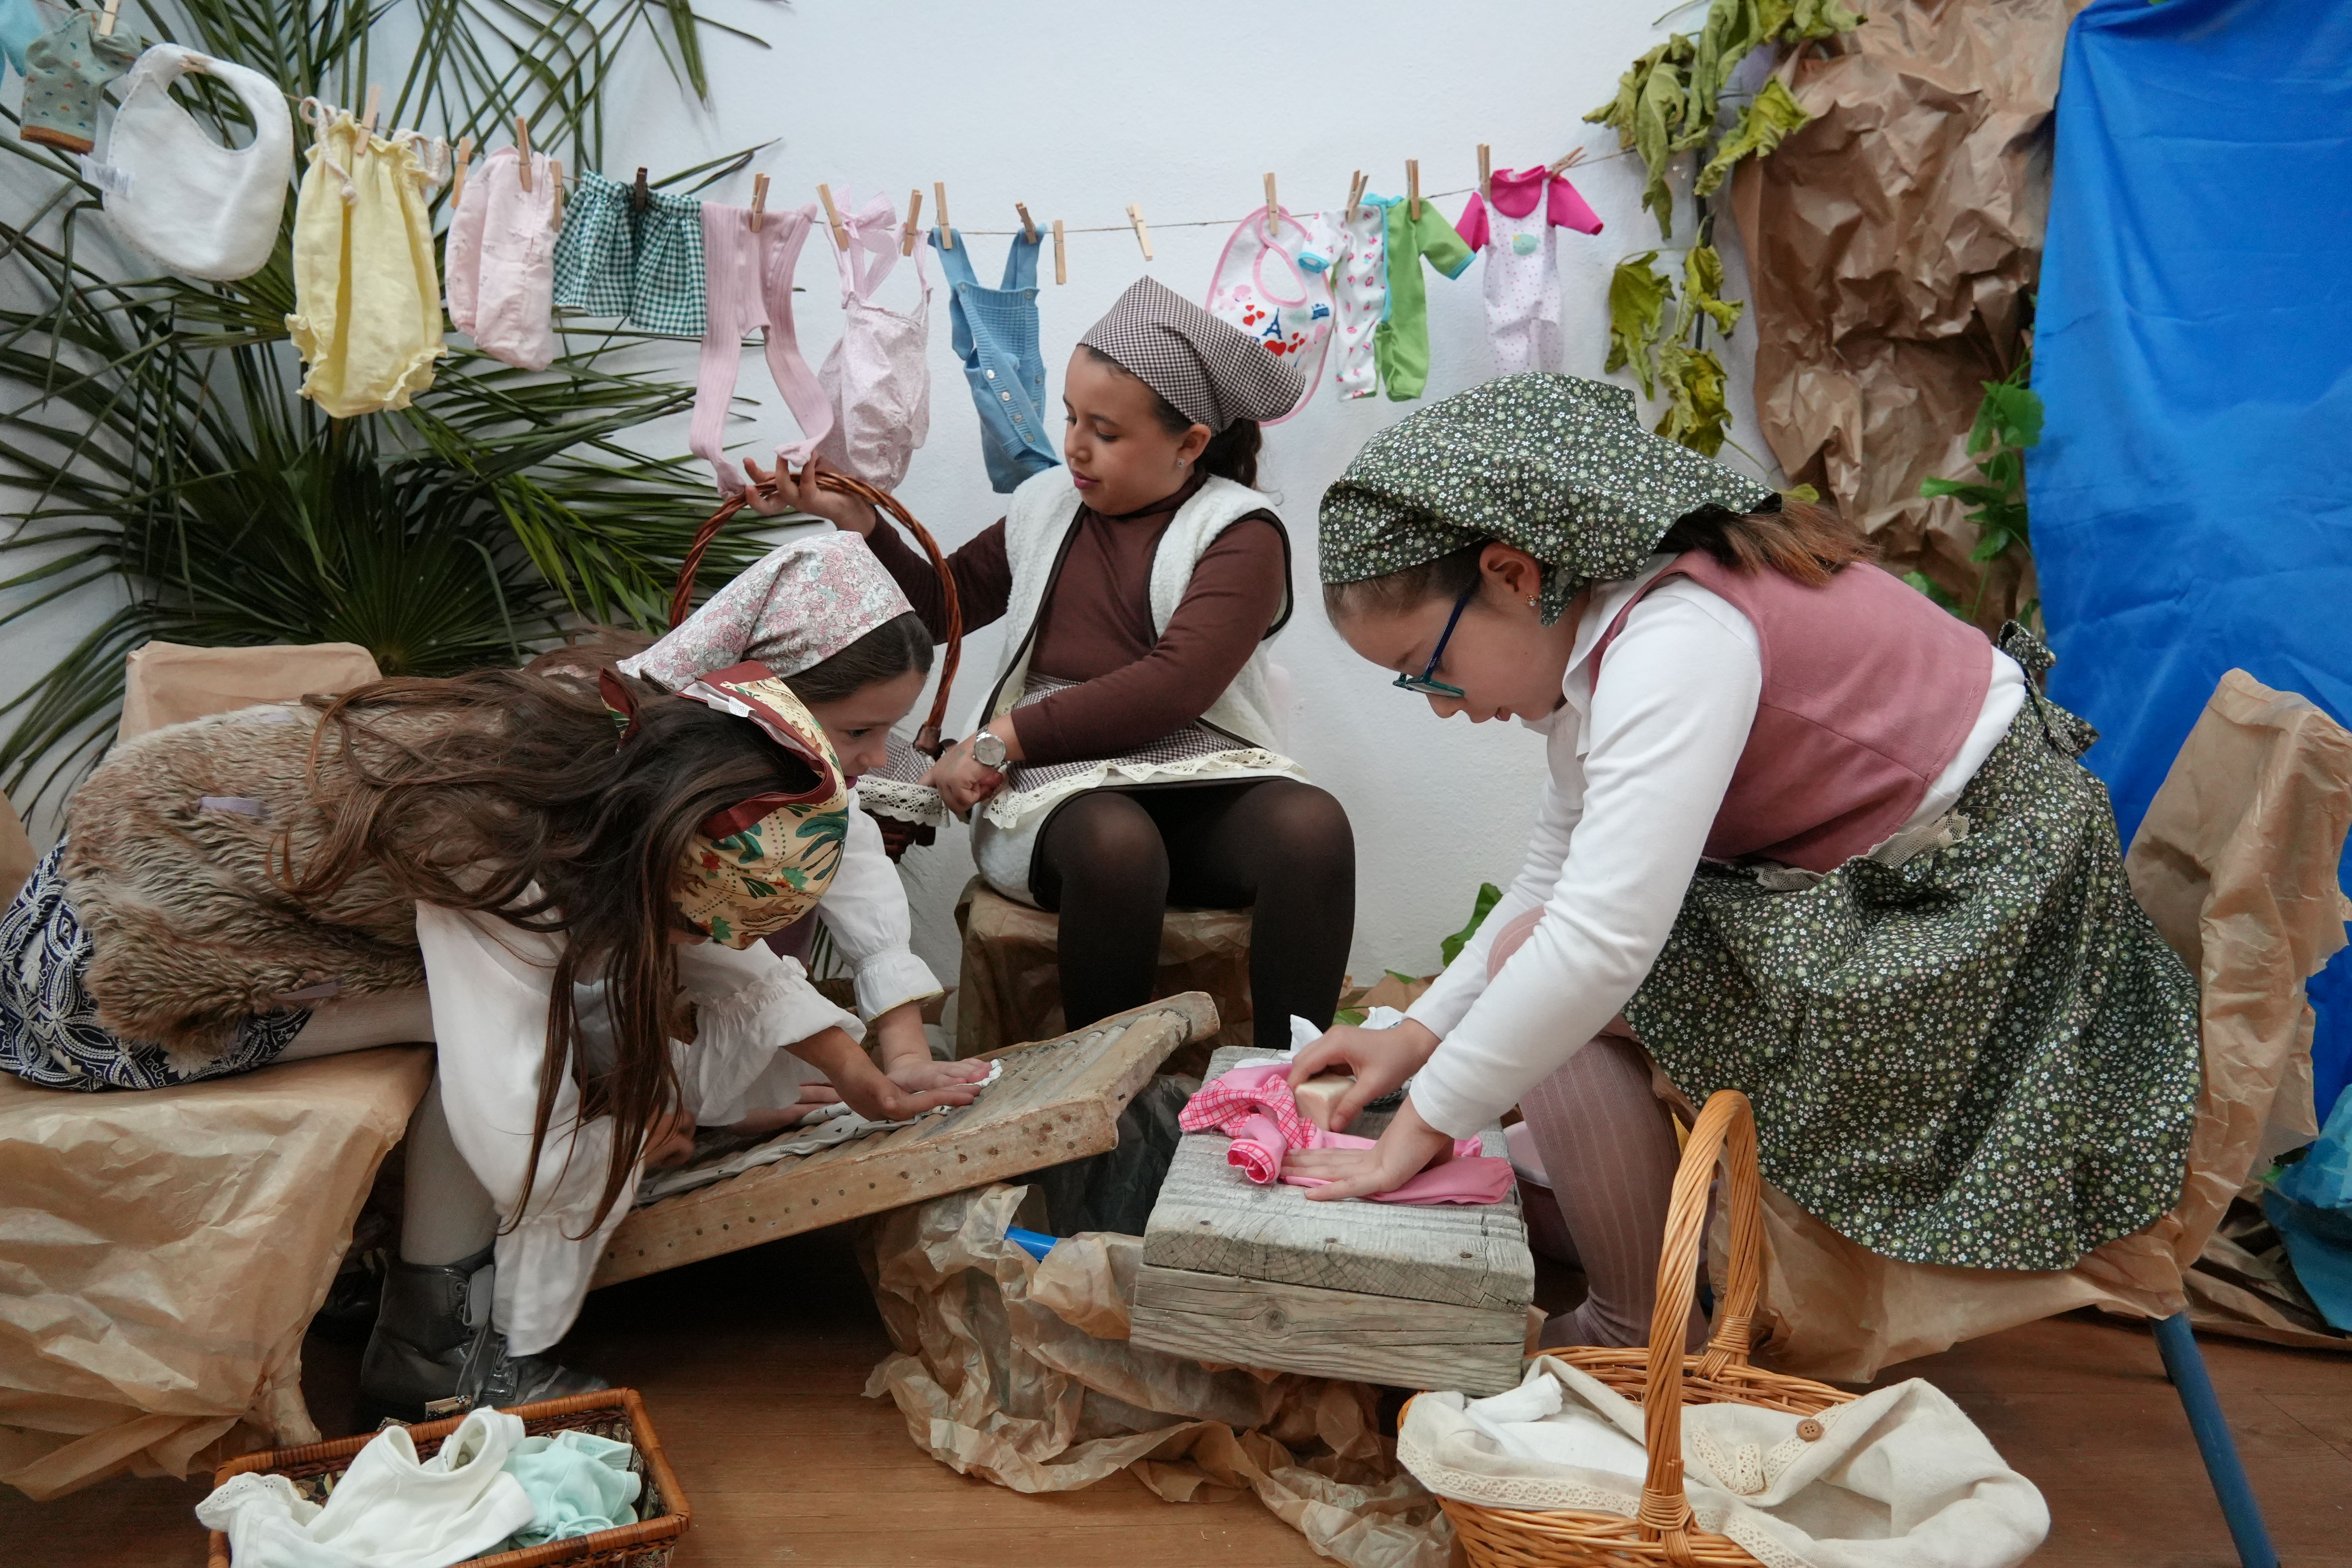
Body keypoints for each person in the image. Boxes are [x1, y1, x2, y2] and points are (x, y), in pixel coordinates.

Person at [1289, 373, 2201, 1349]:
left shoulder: (1679, 641)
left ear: (1514, 574)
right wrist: (1421, 1035)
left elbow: (1594, 945)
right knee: (1539, 974)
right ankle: (1644, 1269)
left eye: (1432, 668)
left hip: (1981, 915)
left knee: (1550, 972)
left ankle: (1640, 1332)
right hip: (1896, 882)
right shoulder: (1615, 633)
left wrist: (1422, 1120)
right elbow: (1555, 880)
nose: (1442, 704)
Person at [0, 536, 983, 1419]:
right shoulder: (507, 850)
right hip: (109, 986)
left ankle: (399, 1290)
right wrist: (635, 1135)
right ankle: (432, 1350)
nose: (869, 761)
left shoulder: (639, 753)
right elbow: (510, 1104)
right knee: (502, 1041)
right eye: (856, 735)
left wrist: (854, 1070)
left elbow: (703, 937)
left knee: (552, 1026)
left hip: (134, 903)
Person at [755, 277, 1356, 1054]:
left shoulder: (1241, 534)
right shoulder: (1048, 505)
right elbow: (945, 608)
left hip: (1189, 765)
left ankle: (1288, 1079)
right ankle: (1099, 1098)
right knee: (1117, 845)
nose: (1073, 445)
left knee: (1313, 829)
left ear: (1190, 444)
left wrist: (1002, 738)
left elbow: (1176, 684)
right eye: (1071, 418)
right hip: (1058, 783)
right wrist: (863, 524)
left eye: (1105, 432)